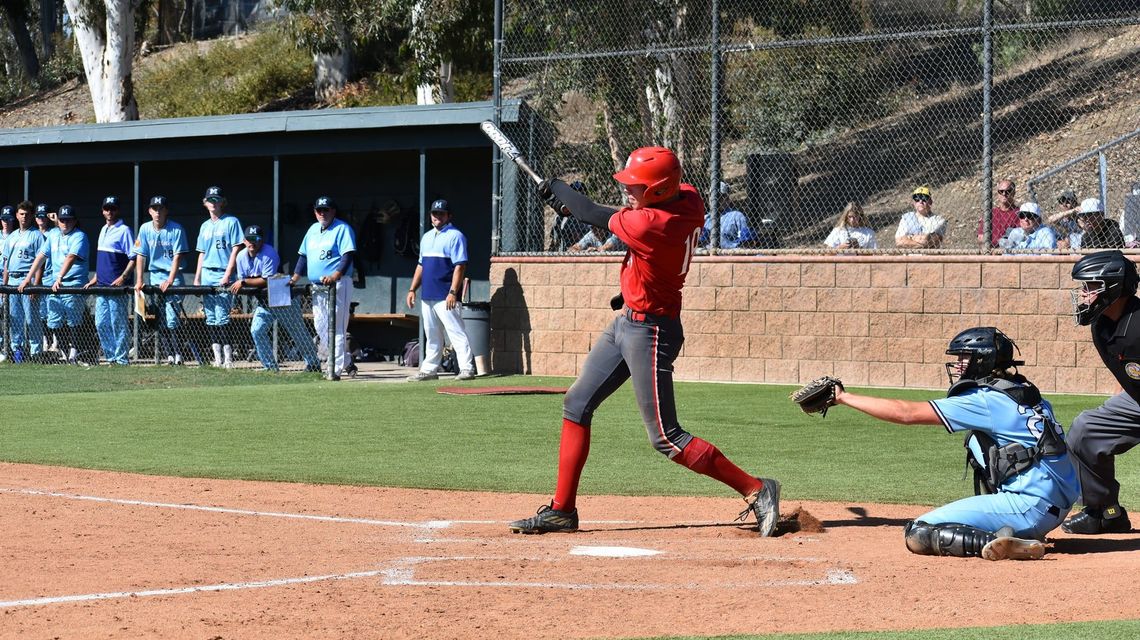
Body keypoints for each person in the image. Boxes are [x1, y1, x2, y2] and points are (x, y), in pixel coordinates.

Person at [508, 146, 780, 536]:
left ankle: (757, 489)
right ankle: (561, 510)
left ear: (657, 192)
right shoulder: (687, 198)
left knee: (666, 437)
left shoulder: (653, 225)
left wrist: (557, 190)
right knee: (577, 402)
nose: (629, 191)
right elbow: (600, 214)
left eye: (637, 187)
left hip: (650, 332)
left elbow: (591, 213)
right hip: (626, 324)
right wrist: (570, 203)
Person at [828, 327, 1077, 560]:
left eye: (964, 358)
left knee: (918, 532)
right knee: (981, 442)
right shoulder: (1026, 393)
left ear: (983, 360)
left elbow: (905, 413)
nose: (958, 364)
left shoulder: (985, 400)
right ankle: (1016, 528)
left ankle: (1002, 542)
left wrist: (843, 397)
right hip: (1056, 504)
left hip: (1030, 507)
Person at [1062, 250, 1140, 534]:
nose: (1083, 295)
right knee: (1088, 428)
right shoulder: (1102, 326)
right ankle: (1106, 512)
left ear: (1114, 288)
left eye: (1090, 287)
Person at [231, 225, 319, 372]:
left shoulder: (269, 252)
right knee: (256, 330)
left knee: (297, 331)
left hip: (283, 298)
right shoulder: (240, 256)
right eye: (249, 239)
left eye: (256, 239)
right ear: (244, 241)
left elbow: (266, 280)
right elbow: (243, 281)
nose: (252, 242)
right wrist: (242, 283)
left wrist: (244, 282)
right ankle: (270, 367)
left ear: (262, 240)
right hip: (264, 301)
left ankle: (313, 364)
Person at [405, 198, 475, 381]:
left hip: (446, 294)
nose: (437, 217)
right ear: (430, 216)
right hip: (428, 294)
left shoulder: (456, 236)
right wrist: (412, 289)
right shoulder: (427, 236)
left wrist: (453, 292)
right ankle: (429, 370)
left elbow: (460, 266)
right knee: (432, 334)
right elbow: (421, 265)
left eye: (441, 213)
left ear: (449, 216)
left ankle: (467, 368)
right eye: (434, 213)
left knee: (455, 332)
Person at [288, 195, 357, 377]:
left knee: (338, 327)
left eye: (326, 209)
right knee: (320, 326)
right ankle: (347, 362)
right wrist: (295, 277)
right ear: (315, 212)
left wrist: (336, 274)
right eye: (319, 210)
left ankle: (334, 368)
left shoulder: (342, 228)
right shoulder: (312, 230)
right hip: (317, 286)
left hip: (338, 284)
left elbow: (348, 255)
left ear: (333, 211)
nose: (322, 213)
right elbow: (303, 256)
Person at [26, 204, 89, 365]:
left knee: (74, 321)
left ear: (75, 221)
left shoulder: (79, 236)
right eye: (62, 220)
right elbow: (41, 255)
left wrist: (60, 276)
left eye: (68, 220)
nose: (65, 223)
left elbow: (70, 257)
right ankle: (62, 350)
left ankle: (75, 353)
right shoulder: (53, 234)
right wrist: (28, 278)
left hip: (73, 283)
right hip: (56, 285)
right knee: (53, 320)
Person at [134, 196, 190, 365]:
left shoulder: (176, 229)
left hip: (173, 277)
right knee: (161, 318)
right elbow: (140, 255)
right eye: (154, 208)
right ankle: (169, 355)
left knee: (172, 318)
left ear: (166, 210)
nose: (157, 212)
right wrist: (139, 279)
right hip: (155, 275)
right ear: (150, 211)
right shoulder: (145, 229)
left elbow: (178, 257)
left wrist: (170, 280)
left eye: (161, 208)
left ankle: (178, 354)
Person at [193, 186, 244, 368]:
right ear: (205, 203)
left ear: (223, 202)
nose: (213, 203)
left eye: (216, 199)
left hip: (223, 272)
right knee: (211, 317)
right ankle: (217, 358)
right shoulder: (205, 226)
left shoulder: (231, 222)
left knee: (223, 317)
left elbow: (236, 249)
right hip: (207, 272)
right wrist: (197, 278)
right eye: (210, 200)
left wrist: (228, 273)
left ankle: (228, 358)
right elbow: (201, 253)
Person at [84, 196, 134, 365]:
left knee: (118, 324)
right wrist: (95, 278)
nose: (109, 212)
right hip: (101, 286)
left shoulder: (125, 230)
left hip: (117, 288)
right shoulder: (103, 229)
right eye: (107, 209)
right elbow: (104, 259)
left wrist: (123, 277)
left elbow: (133, 258)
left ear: (118, 210)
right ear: (103, 210)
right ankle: (111, 357)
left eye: (112, 209)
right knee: (100, 324)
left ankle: (121, 360)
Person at [4, 201, 44, 363]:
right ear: (16, 215)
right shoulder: (12, 236)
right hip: (12, 279)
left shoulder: (36, 235)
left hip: (28, 279)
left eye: (27, 214)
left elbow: (41, 261)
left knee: (31, 318)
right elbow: (6, 263)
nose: (24, 217)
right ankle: (17, 352)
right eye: (21, 214)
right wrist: (4, 286)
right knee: (15, 319)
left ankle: (36, 353)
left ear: (32, 216)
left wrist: (36, 284)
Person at [700, 181, 754, 249]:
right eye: (712, 196)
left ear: (727, 199)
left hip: (732, 256)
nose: (715, 200)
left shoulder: (737, 216)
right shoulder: (704, 219)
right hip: (708, 257)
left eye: (719, 197)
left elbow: (747, 243)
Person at [34, 204, 55, 353]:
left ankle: (56, 343)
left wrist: (54, 221)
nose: (41, 219)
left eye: (44, 216)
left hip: (51, 275)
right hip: (37, 279)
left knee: (52, 312)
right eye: (39, 216)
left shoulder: (54, 232)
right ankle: (45, 341)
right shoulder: (33, 234)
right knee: (40, 312)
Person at [548, 180, 592, 252]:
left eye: (581, 194)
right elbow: (554, 241)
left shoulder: (590, 216)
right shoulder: (560, 218)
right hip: (564, 254)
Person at [978, 179, 1019, 248]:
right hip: (989, 252)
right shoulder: (990, 213)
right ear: (998, 194)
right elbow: (981, 238)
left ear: (1013, 193)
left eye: (1008, 191)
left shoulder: (1019, 213)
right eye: (1001, 191)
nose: (1004, 194)